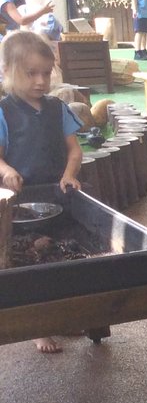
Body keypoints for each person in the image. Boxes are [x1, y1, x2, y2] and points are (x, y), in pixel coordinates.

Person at [0, 31, 84, 354]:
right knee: (30, 265)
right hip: (19, 202)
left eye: (46, 73)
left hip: (55, 193)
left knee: (62, 254)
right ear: (7, 72)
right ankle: (39, 326)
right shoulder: (5, 112)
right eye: (30, 73)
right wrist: (7, 171)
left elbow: (74, 151)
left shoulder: (56, 108)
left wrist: (69, 174)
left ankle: (65, 317)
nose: (40, 81)